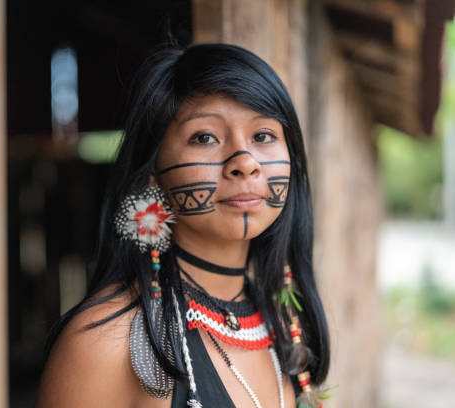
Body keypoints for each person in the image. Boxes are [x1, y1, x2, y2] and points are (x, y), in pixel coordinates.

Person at [37, 43, 330, 408]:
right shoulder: (106, 343)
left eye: (263, 136)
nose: (245, 162)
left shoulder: (286, 323)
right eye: (204, 137)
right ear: (154, 174)